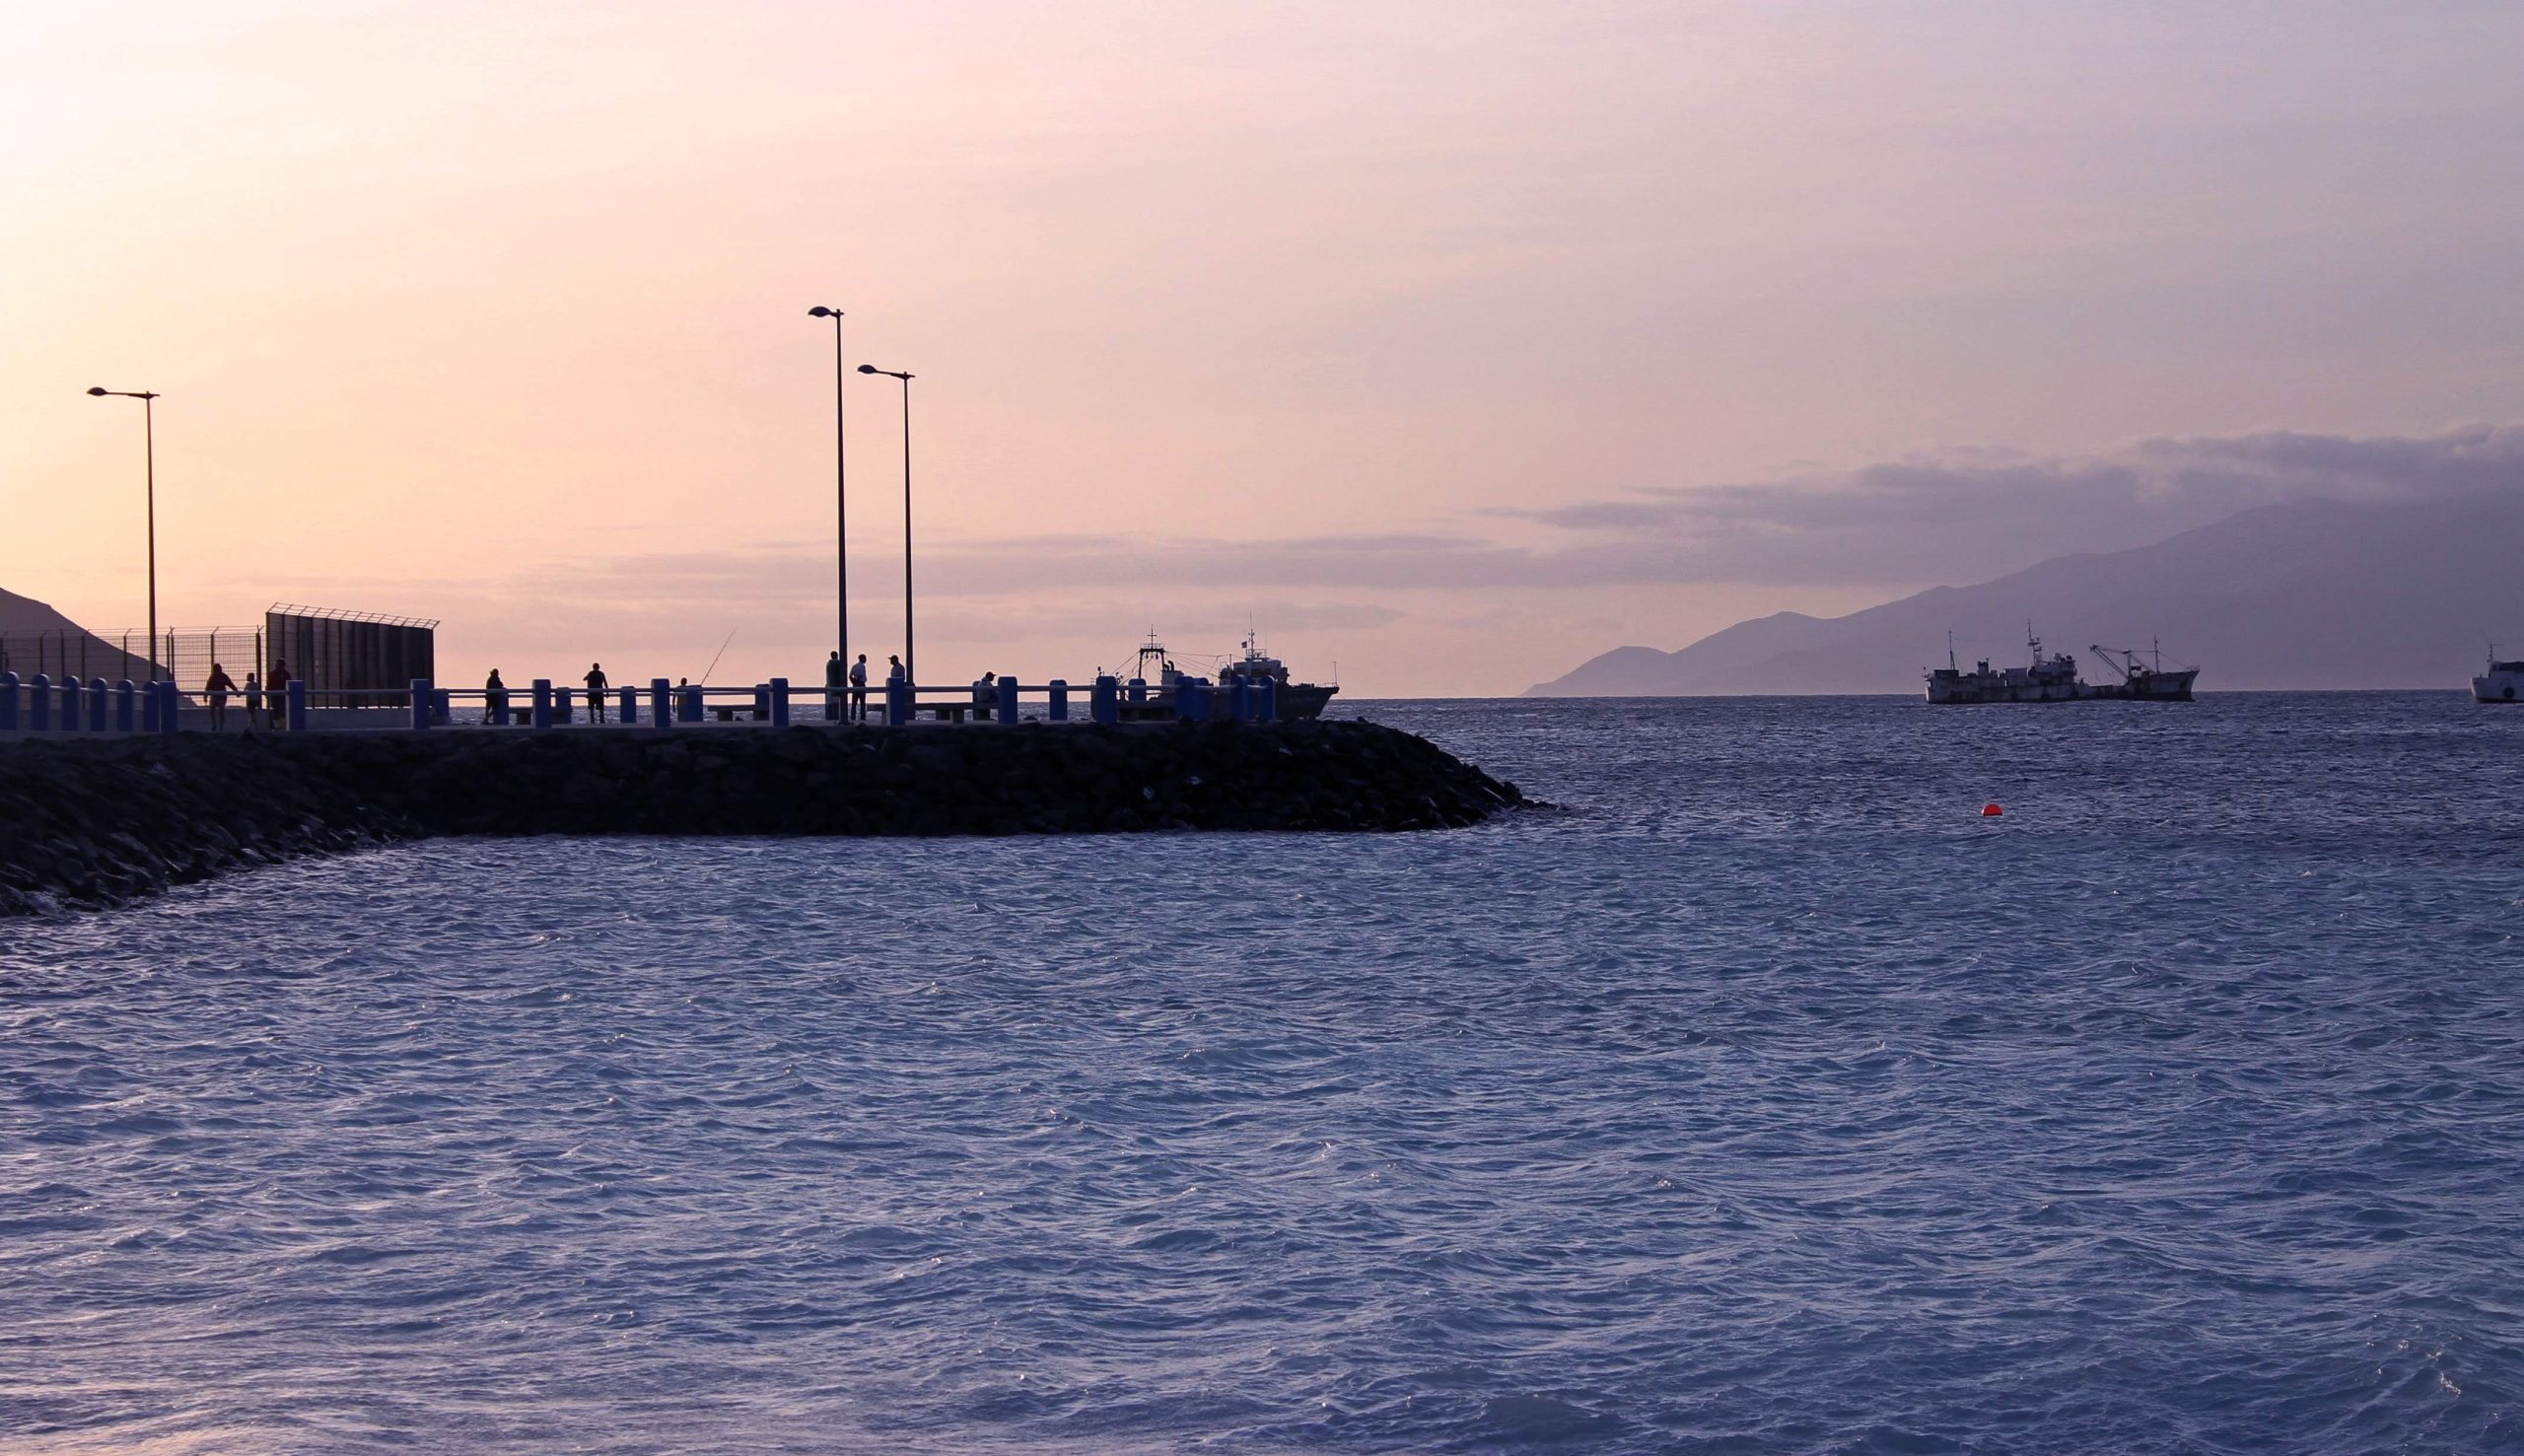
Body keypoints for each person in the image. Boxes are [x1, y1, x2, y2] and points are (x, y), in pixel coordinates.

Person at [203, 661, 238, 731]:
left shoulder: (223, 676)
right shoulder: (212, 677)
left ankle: (221, 726)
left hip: (222, 696)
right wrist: (205, 696)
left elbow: (230, 684)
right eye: (217, 669)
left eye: (220, 669)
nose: (219, 670)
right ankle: (214, 725)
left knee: (221, 711)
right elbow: (208, 687)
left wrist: (236, 692)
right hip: (214, 696)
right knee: (212, 711)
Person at [266, 659, 293, 728]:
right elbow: (269, 684)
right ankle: (276, 726)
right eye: (276, 664)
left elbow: (288, 684)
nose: (276, 665)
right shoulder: (272, 674)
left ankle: (284, 725)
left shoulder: (286, 674)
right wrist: (267, 693)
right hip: (274, 695)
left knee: (282, 710)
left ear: (282, 665)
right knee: (275, 710)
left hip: (282, 695)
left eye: (278, 664)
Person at [824, 650, 845, 722]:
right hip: (835, 685)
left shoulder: (828, 663)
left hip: (828, 685)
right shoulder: (837, 663)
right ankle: (835, 717)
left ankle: (829, 717)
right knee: (836, 703)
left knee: (829, 703)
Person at [849, 653, 869, 723]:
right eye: (865, 658)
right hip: (861, 684)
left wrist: (853, 682)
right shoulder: (862, 666)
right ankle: (862, 717)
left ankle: (852, 717)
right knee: (862, 702)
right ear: (862, 659)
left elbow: (850, 676)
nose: (866, 660)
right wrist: (858, 682)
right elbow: (861, 676)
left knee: (854, 703)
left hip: (855, 685)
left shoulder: (854, 666)